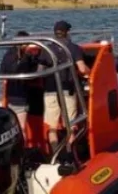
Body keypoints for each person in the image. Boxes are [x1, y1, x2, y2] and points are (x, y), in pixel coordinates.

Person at [38, 20, 91, 152]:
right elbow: (82, 68)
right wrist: (91, 72)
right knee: (71, 124)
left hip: (50, 90)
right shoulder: (73, 48)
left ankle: (56, 154)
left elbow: (40, 71)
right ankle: (70, 153)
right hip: (68, 89)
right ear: (67, 33)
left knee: (52, 126)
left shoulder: (46, 49)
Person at [0, 30, 36, 140]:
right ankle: (23, 152)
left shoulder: (7, 55)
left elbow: (2, 74)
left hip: (10, 96)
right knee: (22, 128)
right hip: (20, 96)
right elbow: (30, 72)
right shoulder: (24, 58)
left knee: (14, 127)